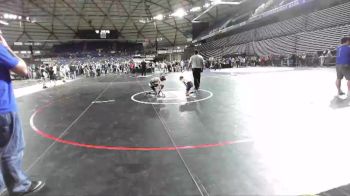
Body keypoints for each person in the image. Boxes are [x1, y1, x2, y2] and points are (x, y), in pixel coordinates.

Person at [0, 33, 45, 195]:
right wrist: (7, 47)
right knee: (11, 148)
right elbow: (24, 70)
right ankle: (18, 186)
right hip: (3, 108)